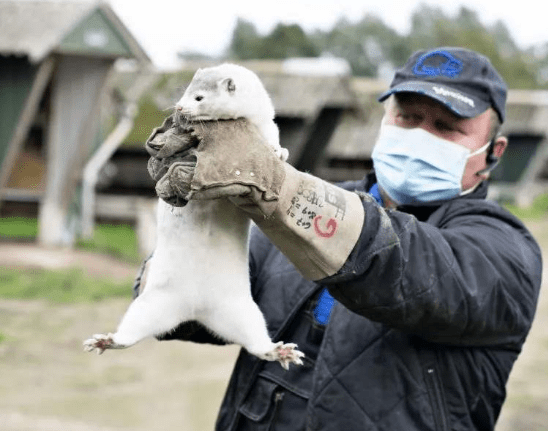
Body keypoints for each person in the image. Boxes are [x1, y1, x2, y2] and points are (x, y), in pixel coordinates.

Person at [139, 47, 543, 431]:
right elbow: (197, 310)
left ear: (494, 153)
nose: (421, 135)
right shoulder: (296, 207)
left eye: (446, 127)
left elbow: (403, 263)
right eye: (408, 117)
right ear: (385, 119)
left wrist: (279, 188)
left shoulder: (504, 250)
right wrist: (193, 221)